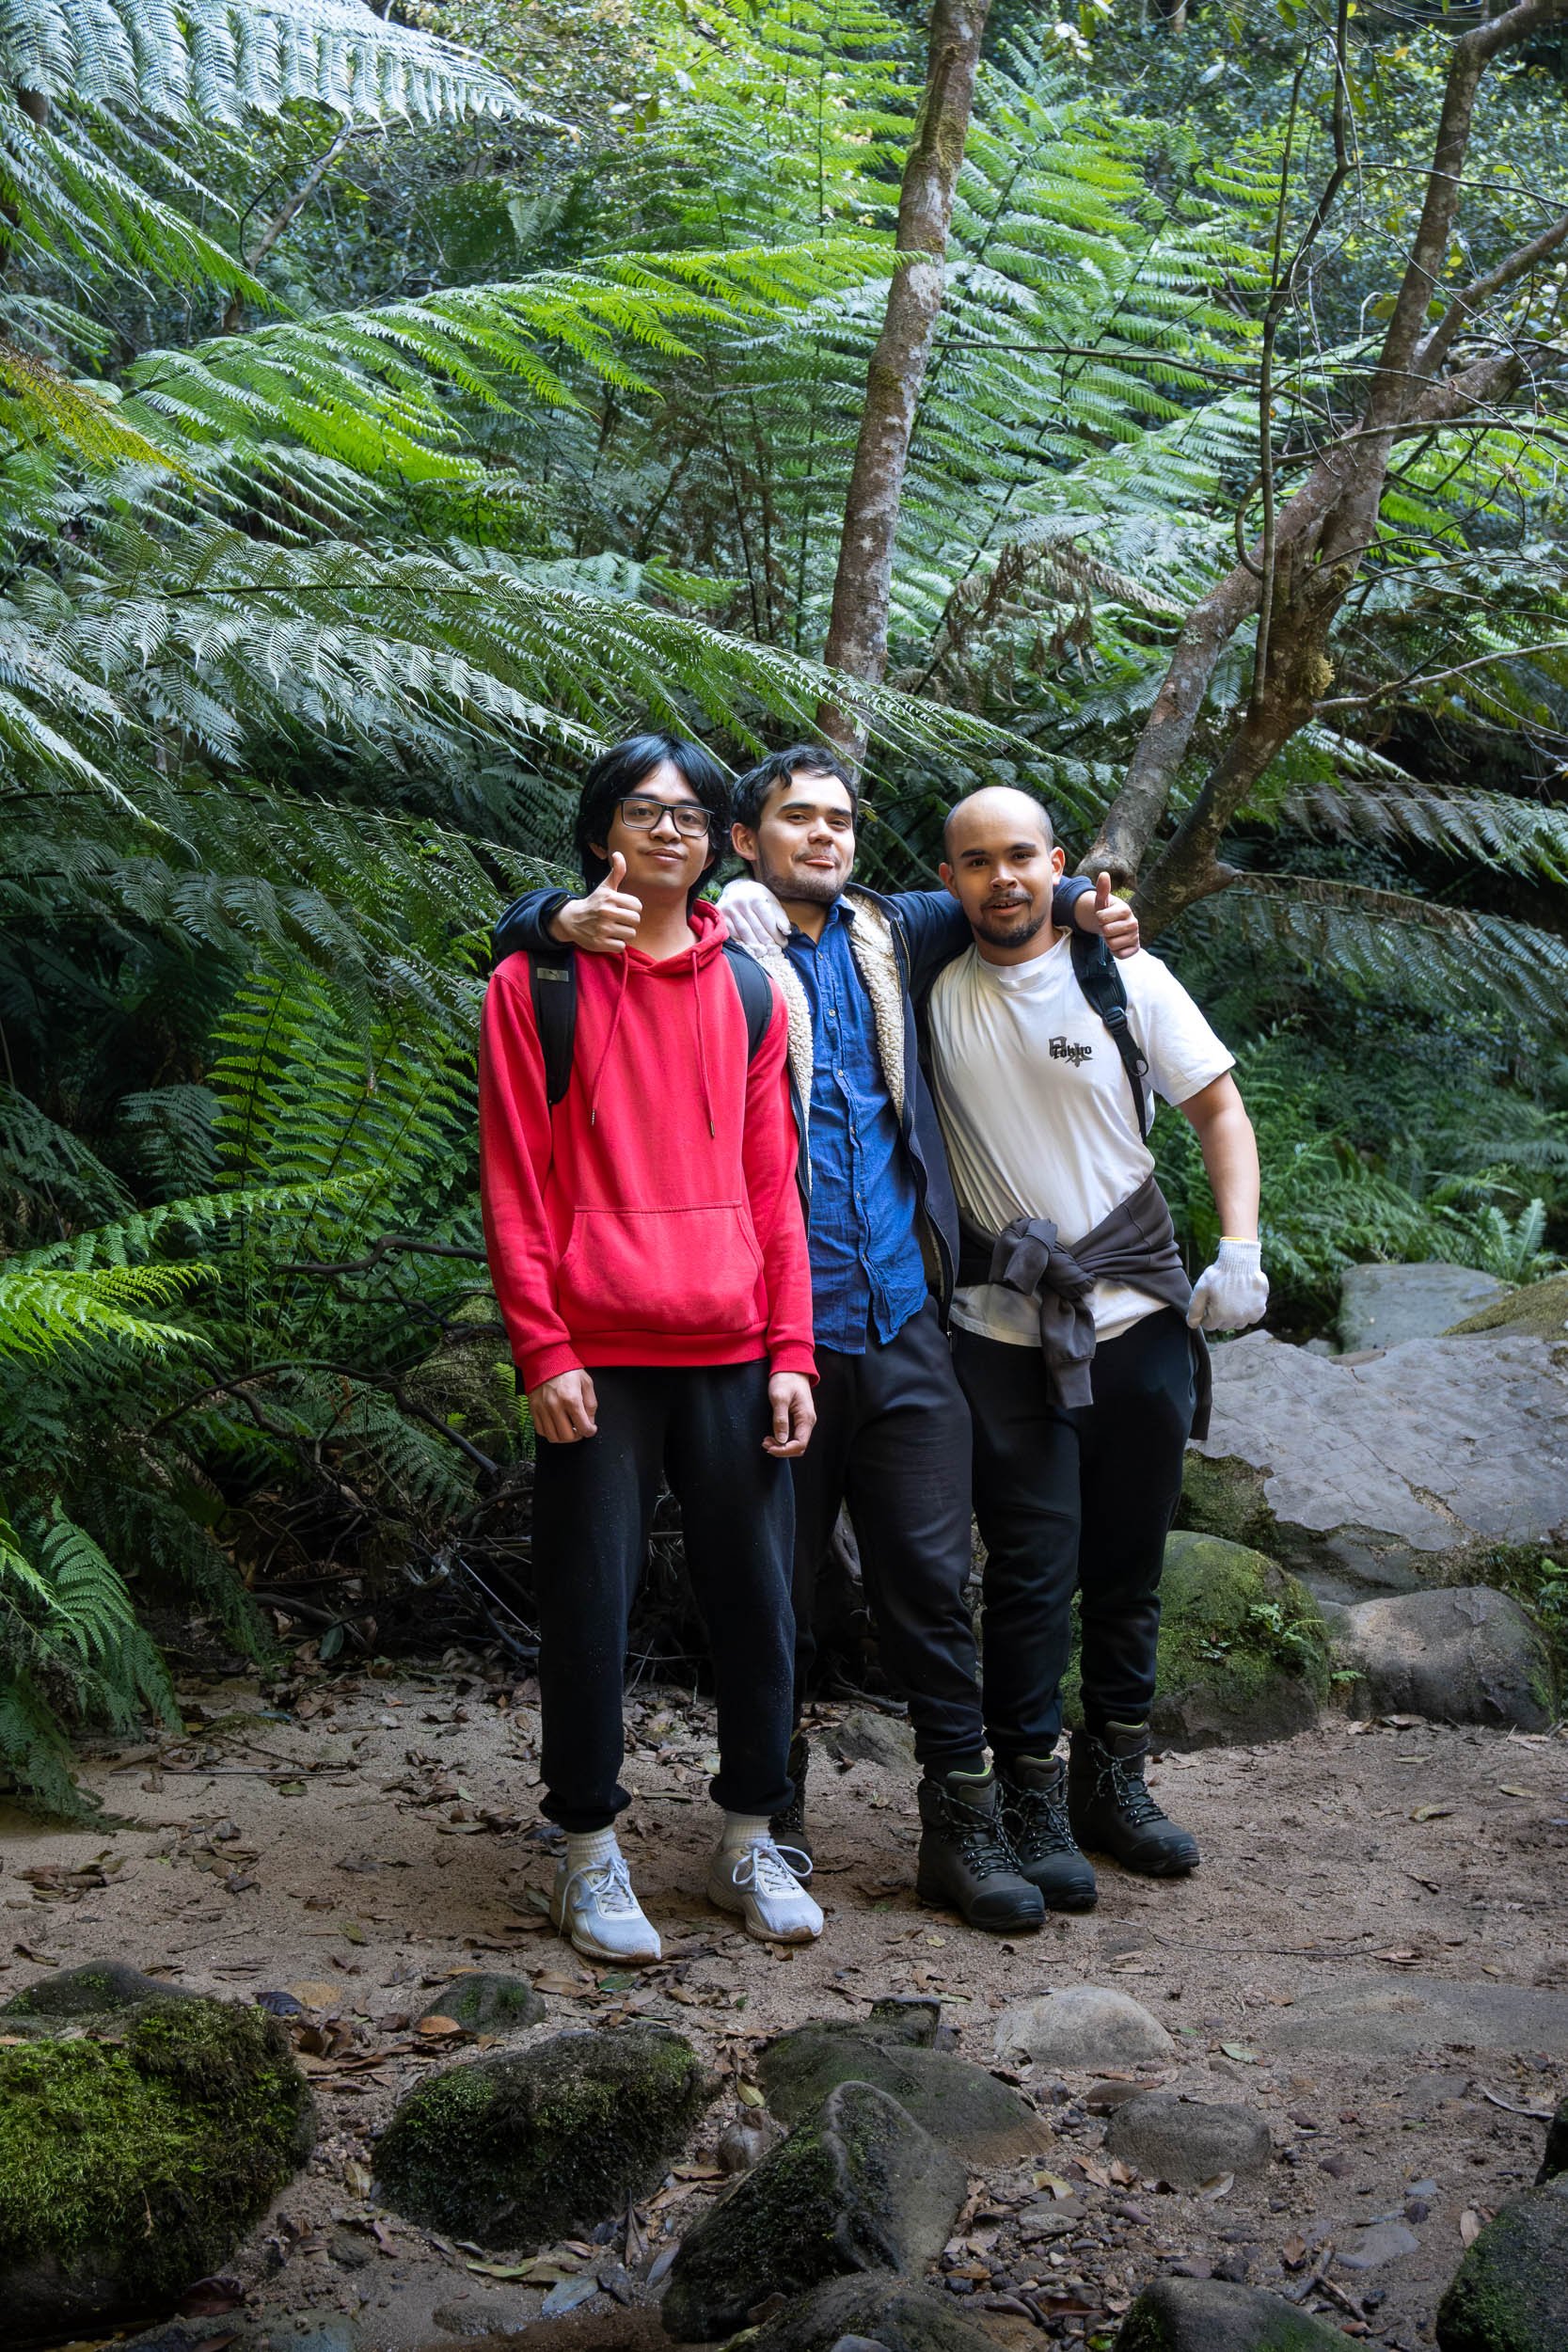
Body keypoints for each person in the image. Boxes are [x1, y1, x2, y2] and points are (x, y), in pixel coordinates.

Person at [505, 743, 1139, 1927]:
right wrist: (547, 909)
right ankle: (768, 1823)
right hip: (762, 1322)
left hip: (893, 1315)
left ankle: (964, 1821)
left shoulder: (891, 931)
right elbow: (547, 934)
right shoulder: (718, 948)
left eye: (841, 820)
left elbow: (1001, 883)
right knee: (770, 1592)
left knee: (931, 1579)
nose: (823, 836)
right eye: (794, 818)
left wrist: (1084, 896)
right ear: (744, 840)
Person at [479, 733, 821, 1965]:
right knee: (588, 1606)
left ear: (714, 839)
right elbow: (514, 1186)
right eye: (642, 811)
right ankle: (585, 1856)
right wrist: (540, 1348)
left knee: (758, 1604)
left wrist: (794, 1350)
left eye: (689, 815)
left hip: (732, 1345)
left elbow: (773, 1190)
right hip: (597, 1357)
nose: (668, 830)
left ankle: (747, 1839)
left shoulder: (748, 992)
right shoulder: (537, 989)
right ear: (599, 834)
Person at [930, 786, 1268, 1891]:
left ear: (1057, 861)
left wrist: (1238, 1246)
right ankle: (1027, 1794)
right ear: (949, 880)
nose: (1002, 879)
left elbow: (1216, 1107)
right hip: (999, 1327)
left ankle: (1111, 1776)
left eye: (1023, 857)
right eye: (975, 861)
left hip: (1135, 1318)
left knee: (1127, 1563)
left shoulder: (1123, 977)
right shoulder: (921, 991)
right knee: (1031, 1568)